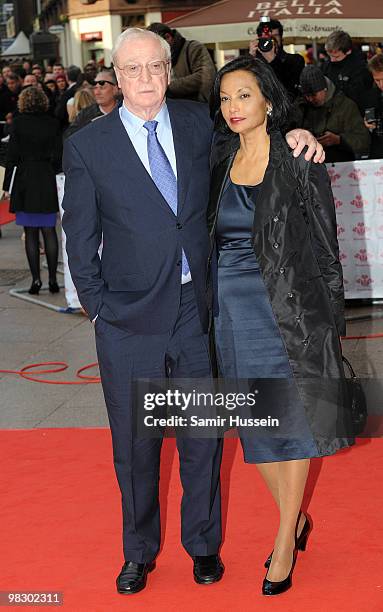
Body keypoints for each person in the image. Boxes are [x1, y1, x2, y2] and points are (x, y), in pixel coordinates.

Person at [62, 27, 323, 595]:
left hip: (194, 309)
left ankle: (203, 544)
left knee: (202, 437)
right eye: (132, 70)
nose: (146, 79)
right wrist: (98, 305)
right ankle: (139, 552)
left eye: (155, 67)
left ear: (168, 68)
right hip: (127, 317)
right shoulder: (88, 143)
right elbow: (77, 234)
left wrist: (298, 131)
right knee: (136, 445)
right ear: (115, 75)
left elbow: (253, 136)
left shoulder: (194, 123)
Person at [208, 56, 352, 596]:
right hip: (229, 314)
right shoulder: (219, 157)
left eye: (243, 96)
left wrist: (330, 323)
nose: (232, 108)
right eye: (225, 99)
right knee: (255, 426)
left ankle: (285, 539)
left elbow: (324, 245)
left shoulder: (298, 159)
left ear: (268, 99)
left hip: (286, 310)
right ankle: (297, 517)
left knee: (290, 423)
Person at [2, 87, 62, 294]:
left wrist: (6, 186)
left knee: (30, 233)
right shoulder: (53, 123)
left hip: (25, 179)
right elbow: (58, 154)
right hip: (45, 177)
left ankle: (36, 280)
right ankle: (53, 279)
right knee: (49, 230)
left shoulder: (17, 123)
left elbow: (12, 156)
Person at [292, 65, 370, 162]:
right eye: (306, 95)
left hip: (340, 166)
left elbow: (364, 141)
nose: (310, 99)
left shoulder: (345, 106)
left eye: (313, 95)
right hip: (308, 167)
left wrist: (339, 140)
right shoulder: (300, 106)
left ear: (324, 89)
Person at [147, 23, 216, 102]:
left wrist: (167, 87)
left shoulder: (193, 48)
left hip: (198, 106)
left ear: (168, 37)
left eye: (157, 45)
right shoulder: (160, 57)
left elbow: (205, 77)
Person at [249, 18, 304, 100]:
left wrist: (272, 60)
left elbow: (289, 92)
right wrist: (250, 57)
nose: (270, 41)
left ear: (281, 39)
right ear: (259, 40)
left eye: (274, 36)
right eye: (266, 38)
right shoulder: (255, 63)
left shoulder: (295, 60)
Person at [322, 30, 372, 110]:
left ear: (348, 51)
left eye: (337, 57)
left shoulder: (361, 68)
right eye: (330, 56)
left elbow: (359, 95)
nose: (332, 60)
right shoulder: (327, 65)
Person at [64, 69, 119, 138]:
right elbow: (69, 136)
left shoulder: (127, 111)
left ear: (115, 89)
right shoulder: (85, 115)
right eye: (95, 88)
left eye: (102, 88)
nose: (97, 92)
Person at [360, 54, 383, 159]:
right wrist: (365, 124)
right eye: (377, 80)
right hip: (377, 152)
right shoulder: (370, 96)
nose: (381, 85)